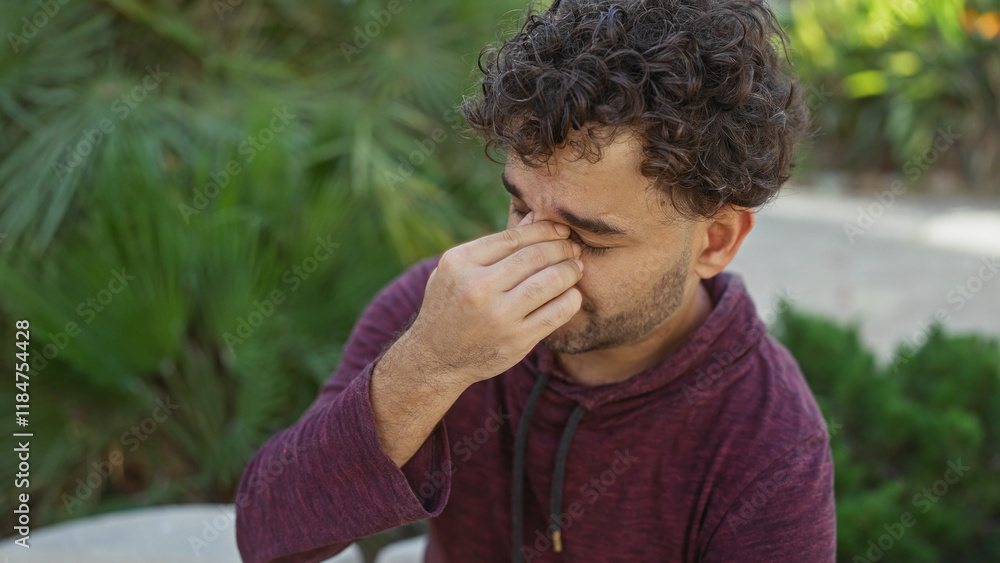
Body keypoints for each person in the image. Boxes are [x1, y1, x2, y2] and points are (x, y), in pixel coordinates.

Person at [235, 0, 836, 561]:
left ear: (716, 241)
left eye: (590, 238)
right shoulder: (446, 314)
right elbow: (266, 535)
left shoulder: (769, 445)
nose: (533, 257)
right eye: (521, 208)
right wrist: (431, 366)